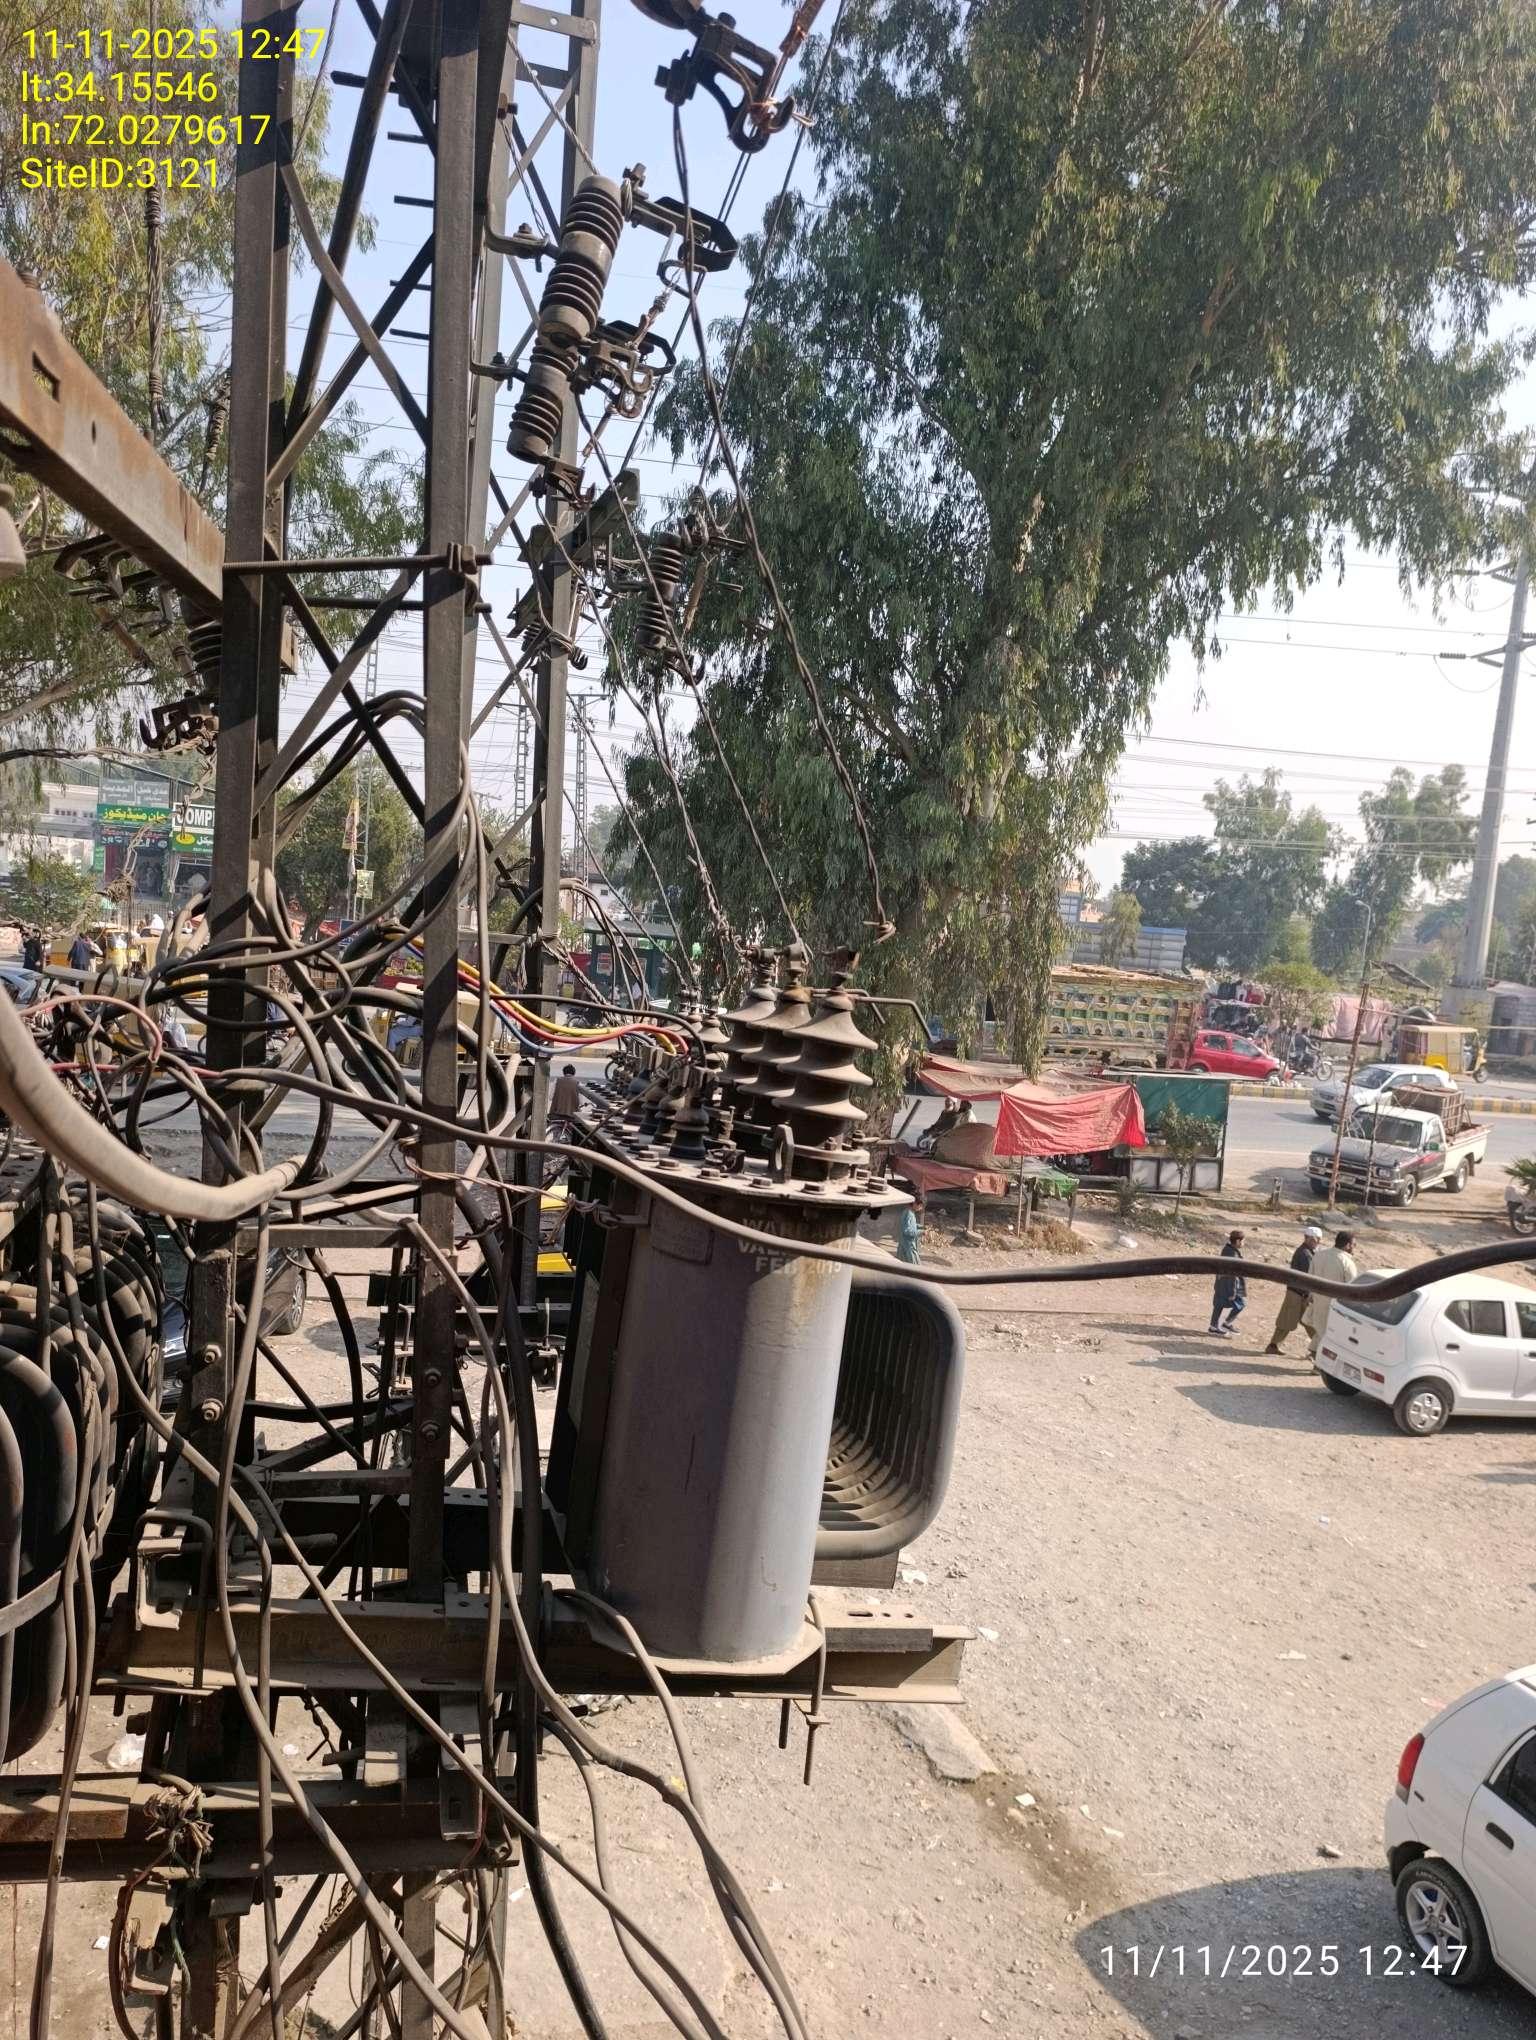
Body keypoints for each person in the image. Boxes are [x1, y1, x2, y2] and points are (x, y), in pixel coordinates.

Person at [1265, 1223, 1323, 1356]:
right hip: (1299, 1295)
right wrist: (1309, 1295)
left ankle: (1317, 1349)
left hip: (1298, 1293)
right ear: (1310, 1239)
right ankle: (1316, 1350)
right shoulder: (1305, 1254)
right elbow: (1308, 1277)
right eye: (1317, 1240)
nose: (1318, 1242)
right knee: (1289, 1321)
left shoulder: (1305, 1252)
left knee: (1306, 1322)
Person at [1305, 1230, 1359, 1363]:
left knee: (1322, 1331)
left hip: (1318, 1301)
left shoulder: (1319, 1255)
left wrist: (1310, 1296)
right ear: (1348, 1245)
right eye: (1354, 1245)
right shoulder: (1346, 1262)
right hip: (1335, 1306)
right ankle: (1319, 1364)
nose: (1354, 1248)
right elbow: (1353, 1289)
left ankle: (1313, 1352)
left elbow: (1309, 1278)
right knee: (1331, 1336)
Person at [1209, 1227, 1246, 1335]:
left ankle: (1213, 1326)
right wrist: (1232, 1292)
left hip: (1221, 1283)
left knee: (1218, 1305)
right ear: (1238, 1241)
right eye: (1243, 1241)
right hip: (1229, 1286)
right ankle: (1227, 1323)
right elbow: (1232, 1276)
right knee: (1241, 1304)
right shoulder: (1233, 1255)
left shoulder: (1227, 1249)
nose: (1244, 1243)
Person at [896, 1190, 924, 1265]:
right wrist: (922, 1232)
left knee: (902, 1265)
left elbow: (910, 1225)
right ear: (914, 1203)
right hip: (909, 1246)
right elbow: (908, 1231)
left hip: (903, 1244)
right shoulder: (910, 1214)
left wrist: (920, 1226)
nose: (921, 1208)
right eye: (920, 1205)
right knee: (916, 1267)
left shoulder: (907, 1211)